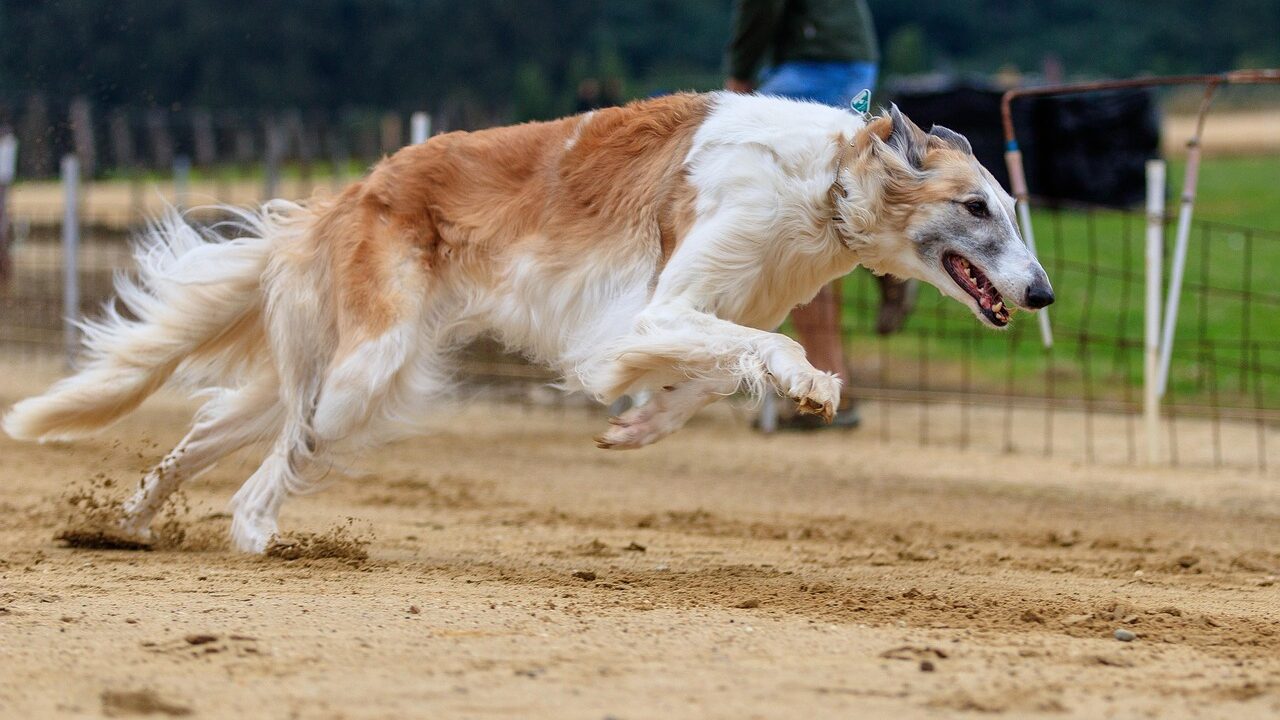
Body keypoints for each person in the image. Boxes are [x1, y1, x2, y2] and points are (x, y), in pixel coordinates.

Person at [725, 0, 916, 430]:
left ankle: (826, 387)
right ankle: (885, 254)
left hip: (814, 62)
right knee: (821, 213)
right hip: (845, 57)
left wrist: (739, 75)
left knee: (800, 225)